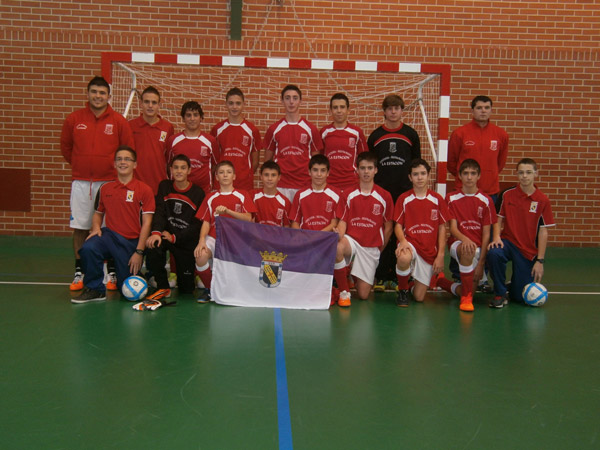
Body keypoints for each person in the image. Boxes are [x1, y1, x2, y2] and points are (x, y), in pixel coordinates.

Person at [61, 76, 135, 292]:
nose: (98, 96)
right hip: (82, 182)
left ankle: (110, 271)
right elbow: (66, 148)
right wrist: (82, 165)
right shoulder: (74, 119)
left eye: (102, 93)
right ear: (88, 93)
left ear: (109, 96)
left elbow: (128, 149)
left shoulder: (119, 121)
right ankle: (79, 271)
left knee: (109, 229)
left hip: (109, 183)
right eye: (94, 91)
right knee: (81, 227)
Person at [71, 146, 154, 303]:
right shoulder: (105, 188)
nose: (123, 162)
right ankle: (96, 289)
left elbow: (147, 223)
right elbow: (98, 213)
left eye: (127, 159)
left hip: (131, 243)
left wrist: (139, 251)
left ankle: (138, 276)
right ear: (114, 164)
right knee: (89, 247)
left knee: (127, 290)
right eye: (119, 159)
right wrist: (96, 227)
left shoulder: (144, 190)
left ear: (135, 165)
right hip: (109, 236)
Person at [368, 94, 421, 292]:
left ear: (402, 110)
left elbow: (416, 164)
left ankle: (401, 276)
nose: (393, 112)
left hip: (404, 193)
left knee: (402, 234)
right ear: (384, 111)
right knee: (382, 233)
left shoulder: (411, 134)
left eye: (397, 108)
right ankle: (381, 274)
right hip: (382, 193)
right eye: (389, 108)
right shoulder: (375, 136)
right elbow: (370, 166)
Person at [487, 158, 555, 308]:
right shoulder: (507, 195)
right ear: (517, 174)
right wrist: (496, 237)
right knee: (494, 252)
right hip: (508, 242)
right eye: (521, 172)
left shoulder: (542, 200)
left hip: (528, 250)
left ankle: (513, 285)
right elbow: (498, 218)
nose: (524, 176)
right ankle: (500, 293)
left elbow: (543, 232)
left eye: (529, 172)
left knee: (519, 297)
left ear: (536, 174)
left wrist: (540, 261)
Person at [435, 159, 498, 311]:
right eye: (466, 173)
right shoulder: (451, 198)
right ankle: (466, 300)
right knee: (467, 249)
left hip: (478, 247)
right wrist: (466, 239)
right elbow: (454, 229)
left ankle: (443, 283)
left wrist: (481, 264)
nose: (469, 177)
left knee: (468, 288)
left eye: (473, 173)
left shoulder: (486, 200)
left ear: (479, 176)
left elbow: (486, 234)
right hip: (458, 243)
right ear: (460, 176)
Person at [332, 152, 394, 307]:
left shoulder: (384, 196)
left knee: (364, 295)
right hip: (352, 240)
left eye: (369, 168)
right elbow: (343, 221)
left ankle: (352, 271)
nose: (366, 171)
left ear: (376, 170)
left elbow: (388, 228)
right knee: (337, 247)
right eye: (362, 168)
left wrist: (379, 249)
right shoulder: (347, 194)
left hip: (370, 247)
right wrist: (339, 233)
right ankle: (344, 292)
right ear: (357, 170)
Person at [194, 160, 256, 303]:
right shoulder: (210, 197)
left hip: (237, 241)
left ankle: (237, 290)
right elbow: (206, 221)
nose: (225, 175)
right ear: (216, 177)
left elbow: (249, 218)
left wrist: (228, 211)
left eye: (228, 172)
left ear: (234, 176)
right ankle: (211, 290)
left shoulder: (243, 195)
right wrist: (201, 240)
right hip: (215, 238)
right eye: (221, 173)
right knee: (200, 256)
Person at [144, 155, 205, 300]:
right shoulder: (164, 186)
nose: (179, 171)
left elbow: (197, 225)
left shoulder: (198, 193)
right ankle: (163, 287)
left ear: (189, 170)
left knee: (187, 290)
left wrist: (176, 237)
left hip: (184, 241)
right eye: (176, 168)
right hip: (165, 235)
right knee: (153, 245)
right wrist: (156, 233)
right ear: (171, 169)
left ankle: (187, 279)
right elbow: (159, 211)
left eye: (183, 168)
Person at [394, 159, 450, 307]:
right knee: (403, 257)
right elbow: (397, 226)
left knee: (419, 298)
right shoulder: (404, 198)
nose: (420, 177)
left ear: (428, 175)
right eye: (416, 174)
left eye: (423, 174)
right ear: (410, 177)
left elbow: (442, 228)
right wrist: (403, 241)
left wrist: (441, 255)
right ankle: (403, 290)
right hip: (410, 242)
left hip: (429, 250)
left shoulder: (437, 199)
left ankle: (411, 284)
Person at [263, 84, 323, 202]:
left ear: (300, 101)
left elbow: (317, 163)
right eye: (287, 98)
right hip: (280, 184)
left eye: (295, 98)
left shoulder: (311, 129)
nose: (291, 102)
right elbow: (267, 162)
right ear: (282, 101)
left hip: (304, 184)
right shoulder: (274, 129)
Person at [447, 95, 509, 201]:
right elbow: (451, 163)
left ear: (491, 110)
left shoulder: (501, 134)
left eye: (487, 108)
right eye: (479, 108)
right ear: (472, 110)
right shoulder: (459, 133)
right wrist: (466, 177)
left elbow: (500, 163)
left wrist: (489, 174)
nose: (483, 111)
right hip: (463, 190)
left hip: (490, 191)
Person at [210, 87, 262, 192]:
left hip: (244, 184)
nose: (234, 107)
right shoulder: (217, 129)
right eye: (231, 103)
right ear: (226, 105)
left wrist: (245, 175)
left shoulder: (252, 130)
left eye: (238, 103)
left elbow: (255, 161)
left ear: (243, 105)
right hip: (221, 183)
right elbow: (213, 160)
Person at [166, 101, 219, 195]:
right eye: (188, 115)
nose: (192, 119)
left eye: (195, 115)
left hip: (203, 192)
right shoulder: (173, 140)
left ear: (201, 118)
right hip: (178, 192)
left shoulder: (210, 141)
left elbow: (215, 166)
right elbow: (168, 165)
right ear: (183, 118)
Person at [129, 86, 175, 194]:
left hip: (159, 186)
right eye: (146, 102)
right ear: (141, 103)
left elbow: (169, 159)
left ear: (159, 105)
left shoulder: (167, 127)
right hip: (135, 185)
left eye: (154, 103)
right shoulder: (130, 126)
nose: (150, 106)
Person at [320, 93, 367, 191]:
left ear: (348, 110)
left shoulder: (357, 132)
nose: (339, 111)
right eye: (335, 107)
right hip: (329, 184)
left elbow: (364, 159)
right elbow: (319, 159)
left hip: (351, 184)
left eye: (342, 107)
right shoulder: (324, 132)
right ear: (331, 111)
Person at [290, 154, 341, 231]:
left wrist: (317, 236)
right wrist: (302, 238)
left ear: (328, 172)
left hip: (326, 238)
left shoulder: (337, 194)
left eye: (323, 170)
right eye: (315, 170)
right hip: (305, 239)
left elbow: (334, 223)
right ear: (309, 172)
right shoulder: (300, 194)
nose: (319, 174)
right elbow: (295, 222)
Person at [252, 161, 292, 227]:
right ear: (261, 176)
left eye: (273, 175)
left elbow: (286, 228)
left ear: (279, 177)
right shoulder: (252, 196)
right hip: (256, 236)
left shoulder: (285, 202)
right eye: (266, 175)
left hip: (277, 237)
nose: (269, 179)